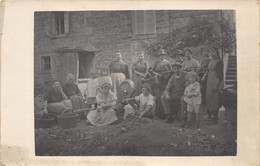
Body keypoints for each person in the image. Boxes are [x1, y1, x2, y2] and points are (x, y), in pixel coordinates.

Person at [206, 48, 224, 125]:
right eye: (211, 51)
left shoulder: (219, 62)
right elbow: (208, 71)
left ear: (217, 52)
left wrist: (216, 85)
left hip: (215, 81)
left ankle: (215, 119)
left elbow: (220, 75)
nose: (212, 53)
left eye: (213, 52)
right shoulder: (211, 60)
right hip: (209, 81)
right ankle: (210, 116)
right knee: (209, 99)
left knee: (215, 100)